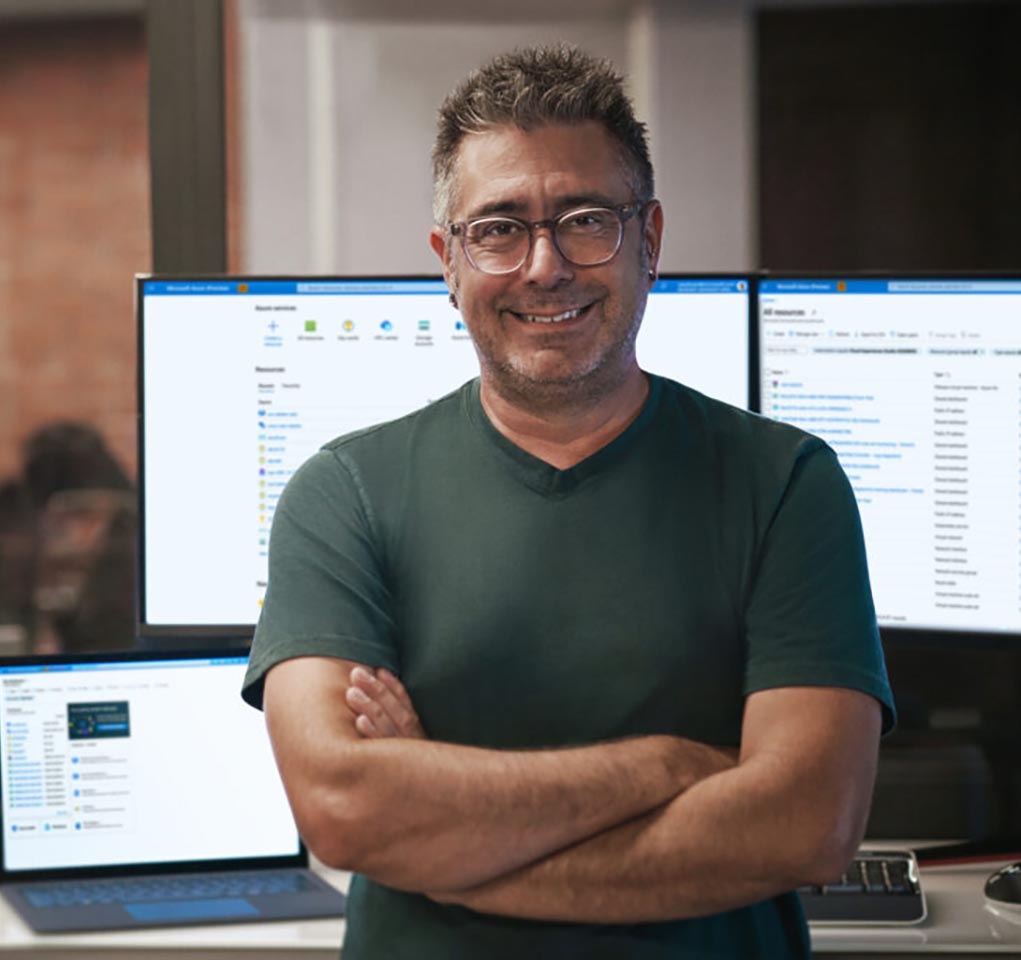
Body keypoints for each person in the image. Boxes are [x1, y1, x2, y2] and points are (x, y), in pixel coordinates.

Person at [242, 45, 895, 959]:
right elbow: (347, 812)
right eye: (498, 228)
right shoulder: (343, 495)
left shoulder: (784, 484)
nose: (544, 266)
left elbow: (804, 826)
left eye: (586, 220)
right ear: (448, 260)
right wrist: (668, 766)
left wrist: (443, 835)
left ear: (650, 239)